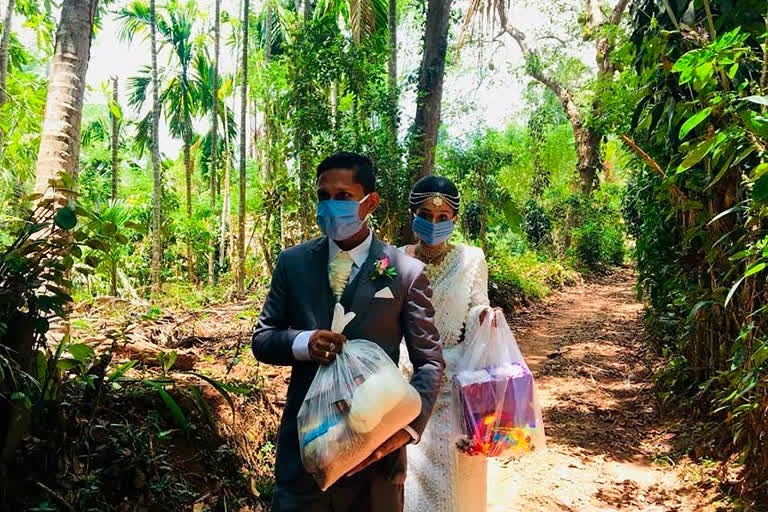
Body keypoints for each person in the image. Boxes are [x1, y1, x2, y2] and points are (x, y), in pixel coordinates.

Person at [252, 152, 445, 512]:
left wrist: (406, 430)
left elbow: (430, 362)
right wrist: (303, 343)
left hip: (377, 457)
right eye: (323, 196)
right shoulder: (292, 263)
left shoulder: (405, 272)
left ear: (369, 202)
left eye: (342, 197)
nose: (330, 206)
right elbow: (263, 339)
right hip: (306, 452)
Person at [399, 175, 500, 512]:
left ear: (454, 220)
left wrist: (484, 317)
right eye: (425, 215)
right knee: (411, 484)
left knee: (460, 484)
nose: (433, 223)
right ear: (413, 215)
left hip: (457, 390)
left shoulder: (472, 259)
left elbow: (475, 307)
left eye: (442, 218)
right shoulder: (396, 259)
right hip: (407, 388)